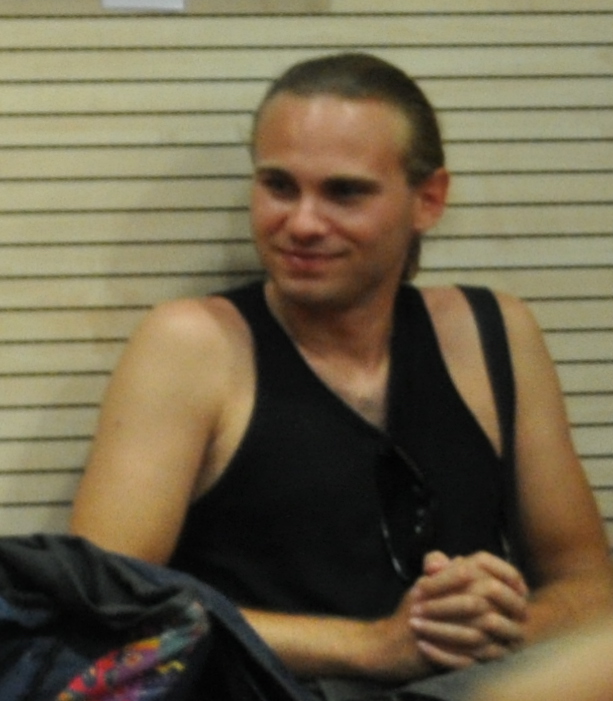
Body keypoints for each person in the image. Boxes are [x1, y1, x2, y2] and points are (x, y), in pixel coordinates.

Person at [69, 53, 613, 700]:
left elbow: (589, 586)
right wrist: (374, 646)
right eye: (278, 186)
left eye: (344, 192)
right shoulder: (193, 344)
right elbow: (101, 608)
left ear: (429, 199)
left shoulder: (492, 331)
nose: (301, 223)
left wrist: (487, 625)